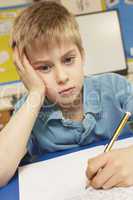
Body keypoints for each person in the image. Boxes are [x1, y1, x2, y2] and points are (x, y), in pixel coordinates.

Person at [0, 1, 133, 189]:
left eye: (68, 60)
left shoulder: (114, 87)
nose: (62, 77)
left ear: (82, 55)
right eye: (44, 67)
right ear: (26, 71)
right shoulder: (28, 110)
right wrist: (36, 92)